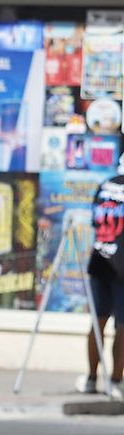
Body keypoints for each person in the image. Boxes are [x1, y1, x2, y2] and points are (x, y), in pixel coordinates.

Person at [81, 167, 124, 399]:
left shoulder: (105, 186)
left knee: (98, 323)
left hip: (100, 261)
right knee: (122, 326)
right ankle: (116, 381)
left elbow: (95, 222)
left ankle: (92, 378)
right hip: (119, 266)